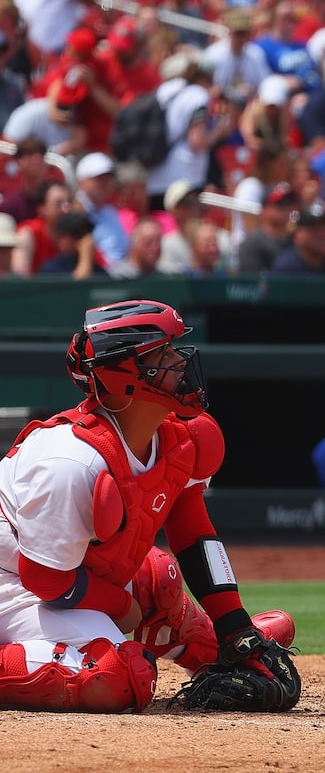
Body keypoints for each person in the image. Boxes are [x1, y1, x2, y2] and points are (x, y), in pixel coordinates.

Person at [0, 299, 299, 713]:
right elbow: (46, 580)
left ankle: (212, 651)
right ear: (125, 375)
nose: (180, 362)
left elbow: (193, 534)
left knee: (159, 578)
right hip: (14, 584)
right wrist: (123, 607)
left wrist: (234, 626)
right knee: (120, 677)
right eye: (164, 354)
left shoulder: (177, 438)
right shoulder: (70, 462)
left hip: (54, 576)